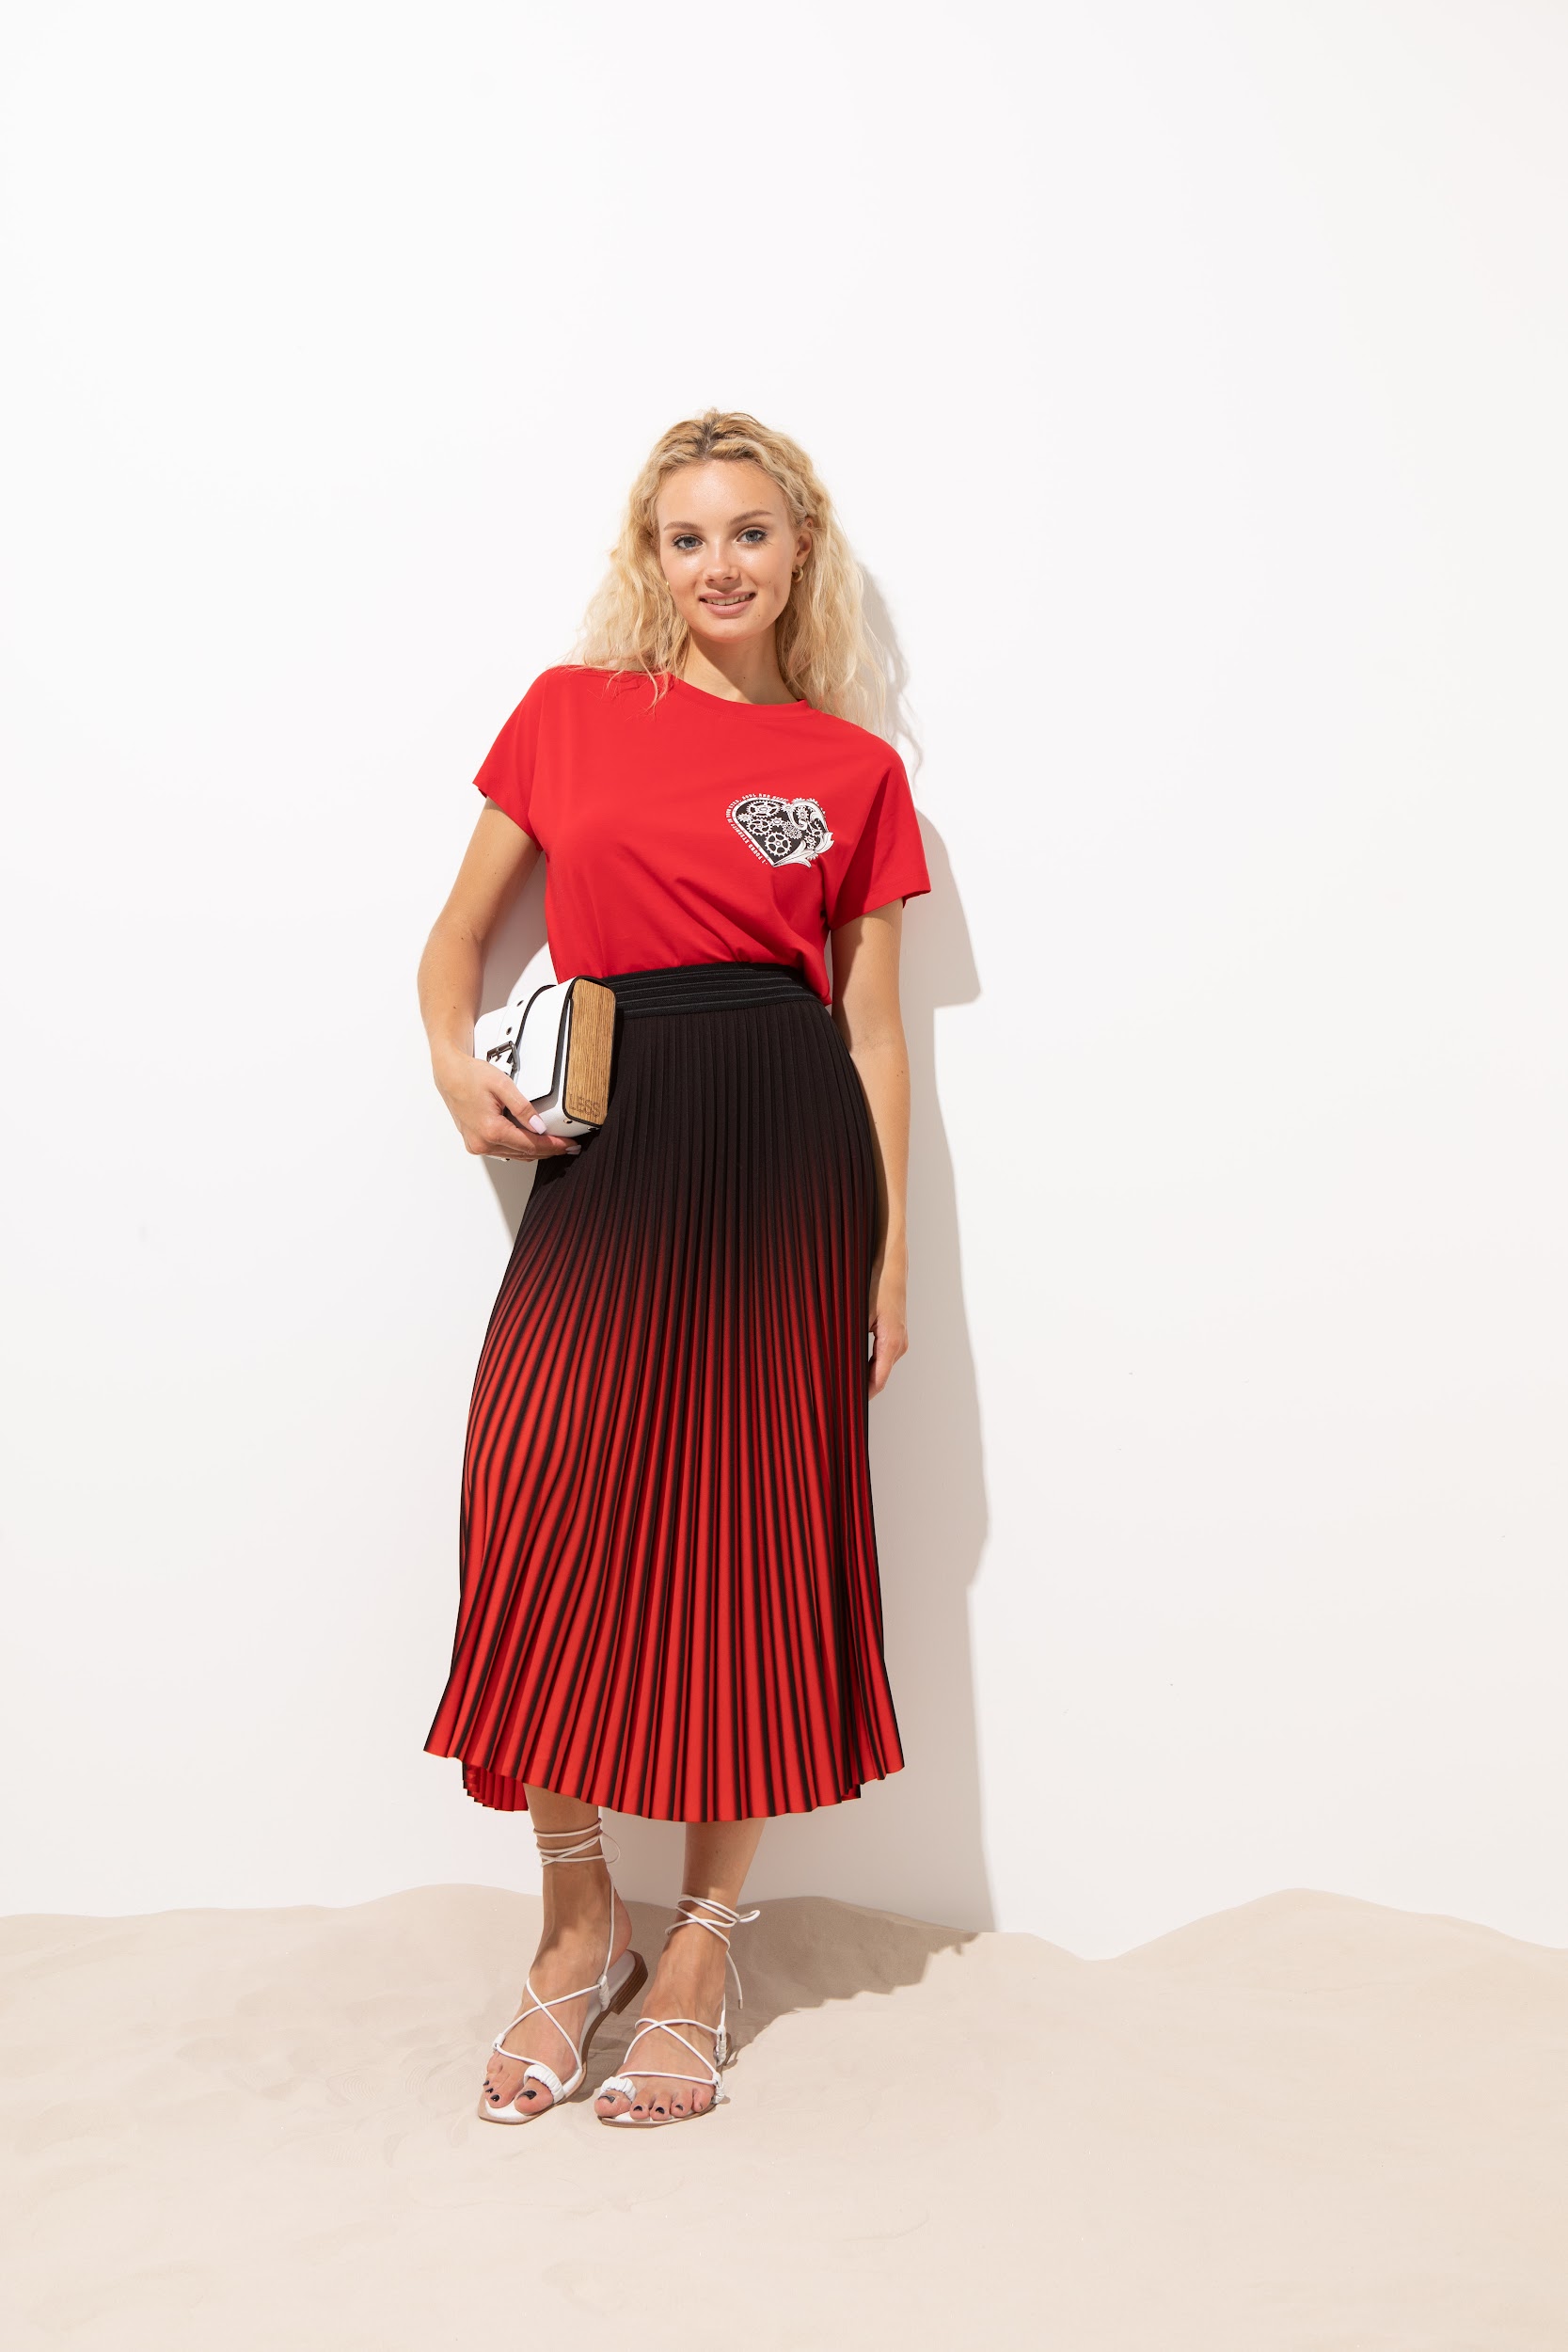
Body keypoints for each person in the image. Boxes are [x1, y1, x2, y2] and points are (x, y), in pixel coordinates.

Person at [416, 409, 931, 2129]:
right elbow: (454, 940)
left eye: (750, 533)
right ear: (652, 558)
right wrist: (453, 1068)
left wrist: (891, 1255)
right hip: (613, 1142)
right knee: (539, 1483)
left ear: (801, 551)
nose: (721, 565)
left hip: (788, 1156)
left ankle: (705, 1942)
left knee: (752, 1525)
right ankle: (581, 1921)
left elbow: (872, 1030)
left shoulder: (852, 771)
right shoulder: (570, 715)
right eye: (687, 536)